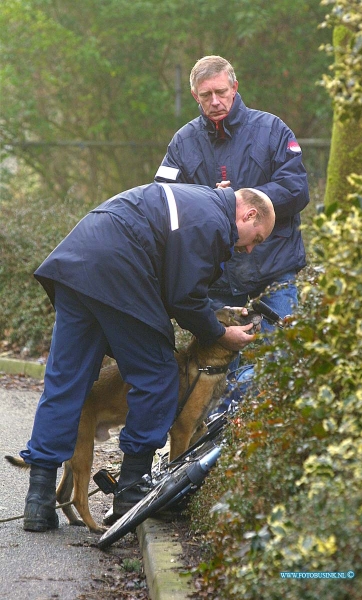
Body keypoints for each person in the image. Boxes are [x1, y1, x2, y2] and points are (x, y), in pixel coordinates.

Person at [20, 181, 275, 532]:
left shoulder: (196, 203)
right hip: (118, 269)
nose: (248, 249)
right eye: (256, 238)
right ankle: (130, 489)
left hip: (76, 263)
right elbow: (183, 296)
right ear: (248, 214)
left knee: (67, 382)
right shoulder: (214, 221)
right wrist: (220, 333)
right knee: (158, 374)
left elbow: (176, 286)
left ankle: (38, 501)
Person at [155, 55, 310, 327]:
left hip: (274, 268)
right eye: (206, 95)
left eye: (221, 92)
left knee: (282, 358)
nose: (215, 101)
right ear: (195, 95)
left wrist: (238, 199)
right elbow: (163, 199)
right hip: (216, 276)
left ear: (235, 88)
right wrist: (209, 201)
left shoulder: (272, 130)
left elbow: (296, 189)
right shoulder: (182, 142)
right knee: (220, 365)